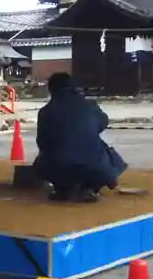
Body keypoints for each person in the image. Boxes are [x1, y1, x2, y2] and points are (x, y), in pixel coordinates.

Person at [33, 72, 128, 203]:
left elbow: (42, 143)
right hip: (95, 168)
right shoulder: (90, 105)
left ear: (51, 90)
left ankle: (62, 189)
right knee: (106, 153)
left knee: (43, 160)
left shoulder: (45, 111)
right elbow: (102, 123)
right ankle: (91, 187)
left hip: (59, 167)